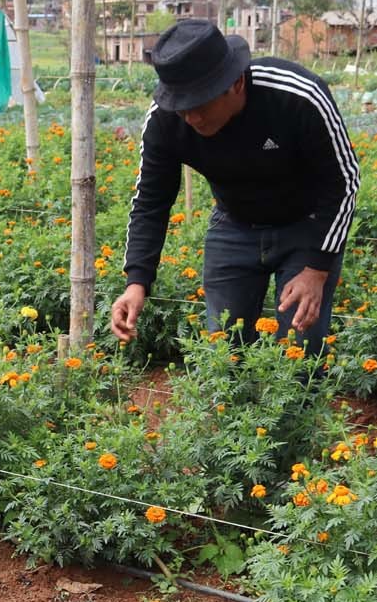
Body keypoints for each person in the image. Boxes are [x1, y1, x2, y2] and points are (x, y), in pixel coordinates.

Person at [110, 18, 360, 354]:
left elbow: (344, 182)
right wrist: (136, 281)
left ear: (237, 83)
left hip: (307, 225)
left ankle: (299, 405)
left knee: (300, 352)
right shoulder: (166, 120)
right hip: (234, 225)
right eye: (182, 108)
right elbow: (151, 201)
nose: (191, 118)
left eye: (200, 104)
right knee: (224, 352)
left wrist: (316, 269)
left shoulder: (296, 96)